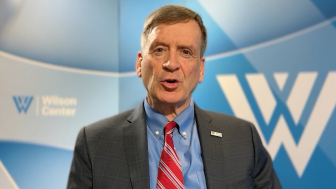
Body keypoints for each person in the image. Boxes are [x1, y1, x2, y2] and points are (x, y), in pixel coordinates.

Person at [67, 5, 281, 189]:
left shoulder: (244, 139)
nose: (171, 63)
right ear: (140, 63)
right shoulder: (95, 143)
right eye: (159, 50)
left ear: (201, 69)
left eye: (186, 52)